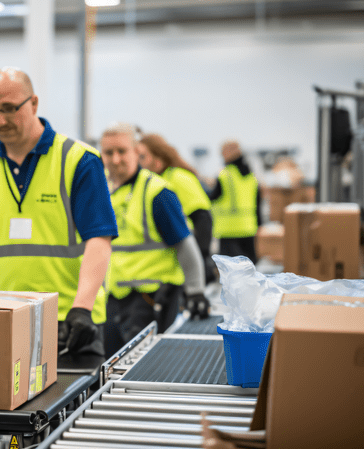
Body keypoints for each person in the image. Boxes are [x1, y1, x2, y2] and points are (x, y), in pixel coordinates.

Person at [0, 66, 117, 361]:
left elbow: (99, 240)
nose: (0, 120)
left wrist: (83, 307)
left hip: (71, 322)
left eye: (9, 108)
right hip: (5, 320)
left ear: (34, 104)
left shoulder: (78, 160)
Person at [101, 123, 210, 357]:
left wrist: (196, 291)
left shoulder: (157, 193)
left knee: (142, 373)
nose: (115, 159)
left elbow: (185, 245)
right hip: (115, 300)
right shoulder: (106, 193)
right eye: (109, 153)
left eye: (122, 151)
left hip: (152, 300)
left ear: (136, 152)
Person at [137, 132, 216, 284]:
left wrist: (197, 261)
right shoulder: (152, 182)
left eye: (143, 157)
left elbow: (202, 219)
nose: (139, 163)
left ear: (158, 159)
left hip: (184, 265)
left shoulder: (178, 178)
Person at [209, 139, 262, 264]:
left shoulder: (225, 174)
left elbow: (212, 197)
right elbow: (258, 202)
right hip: (249, 228)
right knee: (249, 268)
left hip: (229, 230)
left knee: (231, 272)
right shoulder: (251, 176)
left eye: (222, 152)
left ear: (229, 152)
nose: (221, 155)